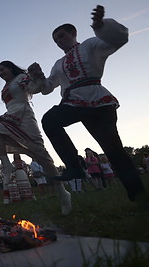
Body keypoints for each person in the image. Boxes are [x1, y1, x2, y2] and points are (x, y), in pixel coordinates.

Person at [28, 5, 148, 208]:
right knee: (50, 120)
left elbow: (119, 39)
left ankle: (139, 197)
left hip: (98, 101)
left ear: (73, 33)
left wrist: (101, 26)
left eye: (62, 36)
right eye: (55, 39)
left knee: (114, 150)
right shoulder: (59, 64)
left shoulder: (90, 46)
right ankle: (74, 165)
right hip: (75, 102)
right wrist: (37, 76)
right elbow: (47, 87)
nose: (59, 41)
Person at [0, 61, 71, 214]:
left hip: (25, 116)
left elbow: (33, 88)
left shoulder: (21, 77)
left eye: (2, 69)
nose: (1, 73)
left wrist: (36, 76)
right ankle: (6, 164)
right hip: (10, 115)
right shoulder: (5, 87)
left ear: (10, 68)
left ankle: (62, 191)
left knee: (40, 154)